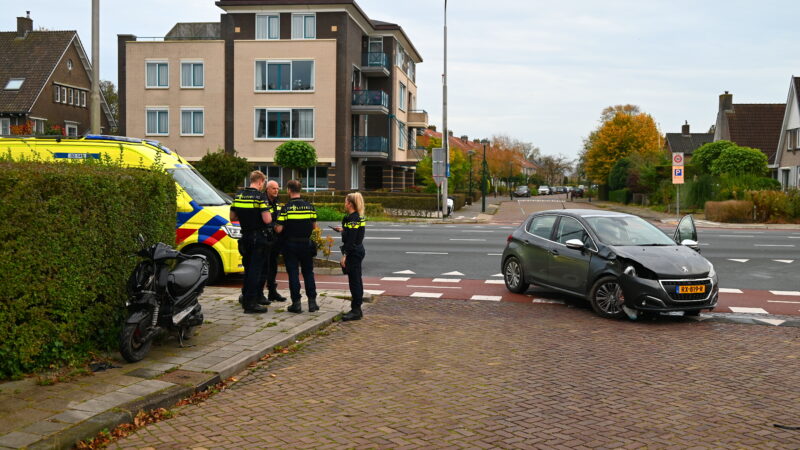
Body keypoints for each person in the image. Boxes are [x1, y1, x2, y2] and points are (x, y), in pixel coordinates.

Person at [230, 171, 272, 314]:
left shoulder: (239, 195)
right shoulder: (260, 197)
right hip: (258, 237)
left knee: (247, 269)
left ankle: (245, 296)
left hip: (245, 237)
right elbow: (267, 220)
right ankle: (251, 303)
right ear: (260, 181)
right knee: (255, 270)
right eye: (263, 183)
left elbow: (232, 217)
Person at [274, 180, 318, 314]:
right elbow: (314, 227)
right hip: (306, 244)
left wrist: (275, 226)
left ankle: (296, 304)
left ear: (289, 190)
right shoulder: (310, 207)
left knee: (293, 273)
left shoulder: (285, 208)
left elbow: (279, 229)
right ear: (300, 190)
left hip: (290, 245)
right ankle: (312, 303)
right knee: (308, 273)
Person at [333, 192, 366, 321]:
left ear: (350, 204)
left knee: (354, 281)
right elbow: (355, 233)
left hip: (354, 252)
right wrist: (343, 230)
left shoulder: (353, 218)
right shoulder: (356, 217)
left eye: (346, 201)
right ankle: (357, 308)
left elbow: (352, 239)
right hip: (358, 250)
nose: (344, 203)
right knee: (357, 279)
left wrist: (344, 255)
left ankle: (356, 310)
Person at [258, 180, 287, 304]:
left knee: (273, 266)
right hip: (264, 239)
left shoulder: (277, 202)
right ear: (267, 189)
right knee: (263, 267)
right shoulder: (262, 201)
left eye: (277, 188)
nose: (276, 190)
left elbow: (278, 217)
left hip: (275, 240)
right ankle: (259, 293)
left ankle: (272, 292)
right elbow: (263, 219)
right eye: (274, 188)